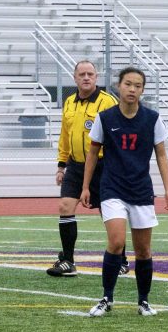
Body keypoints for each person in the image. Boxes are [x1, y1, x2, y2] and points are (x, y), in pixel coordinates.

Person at [80, 66, 168, 316]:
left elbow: (162, 155)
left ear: (142, 90)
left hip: (141, 190)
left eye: (138, 85)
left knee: (143, 250)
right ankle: (106, 298)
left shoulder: (152, 119)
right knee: (116, 241)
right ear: (118, 86)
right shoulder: (105, 118)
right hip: (112, 188)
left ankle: (143, 301)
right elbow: (92, 153)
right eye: (128, 84)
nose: (132, 89)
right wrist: (85, 187)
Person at [47, 60, 127, 277]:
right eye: (81, 74)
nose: (86, 77)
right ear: (74, 78)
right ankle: (68, 261)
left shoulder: (107, 102)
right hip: (75, 165)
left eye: (90, 74)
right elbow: (65, 136)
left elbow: (118, 134)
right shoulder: (69, 102)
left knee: (108, 213)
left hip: (103, 166)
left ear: (96, 77)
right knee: (65, 206)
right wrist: (61, 165)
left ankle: (121, 259)